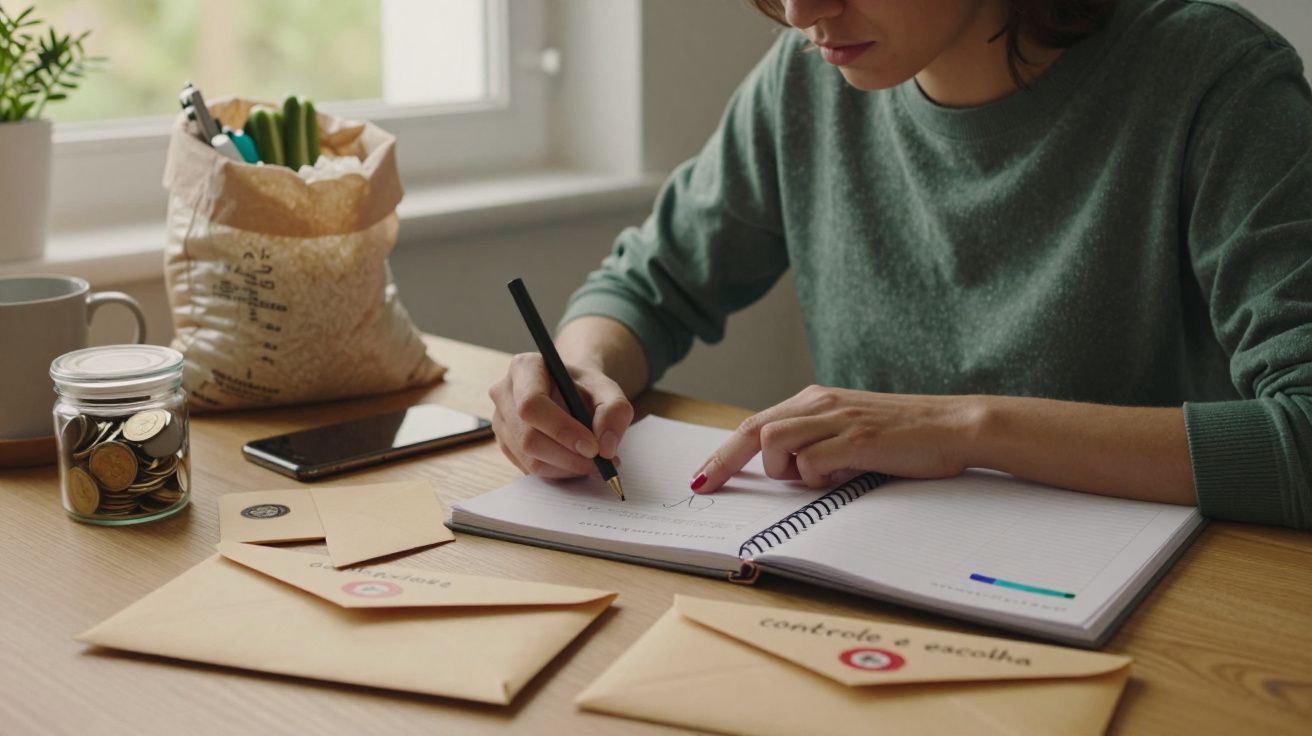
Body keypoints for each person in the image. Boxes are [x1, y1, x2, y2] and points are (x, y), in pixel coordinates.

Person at [488, 0, 1312, 530]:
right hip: (876, 580)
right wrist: (579, 371)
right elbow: (650, 285)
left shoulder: (1213, 82)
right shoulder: (805, 81)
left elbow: (1302, 431)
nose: (801, 12)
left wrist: (966, 429)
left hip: (1171, 606)